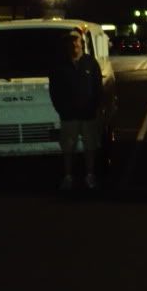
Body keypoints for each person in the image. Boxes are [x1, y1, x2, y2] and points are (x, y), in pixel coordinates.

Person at [48, 28, 103, 190]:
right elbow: (54, 91)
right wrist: (61, 109)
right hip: (68, 116)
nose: (74, 44)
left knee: (90, 146)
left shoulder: (91, 63)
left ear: (82, 43)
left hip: (88, 115)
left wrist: (95, 107)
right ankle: (68, 176)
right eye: (70, 42)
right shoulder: (59, 65)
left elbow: (98, 87)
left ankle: (90, 175)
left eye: (76, 41)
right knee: (68, 148)